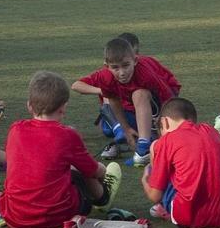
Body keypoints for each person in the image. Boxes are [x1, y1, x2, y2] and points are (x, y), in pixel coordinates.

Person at [0, 71, 121, 228]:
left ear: (29, 106)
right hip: (59, 215)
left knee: (65, 169)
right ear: (63, 107)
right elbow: (93, 171)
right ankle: (103, 198)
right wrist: (103, 171)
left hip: (15, 216)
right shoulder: (67, 135)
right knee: (83, 170)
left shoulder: (15, 129)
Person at [142, 97, 220, 228]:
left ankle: (164, 207)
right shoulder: (211, 131)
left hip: (189, 216)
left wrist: (145, 179)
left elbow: (155, 195)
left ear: (164, 122)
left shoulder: (166, 141)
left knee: (155, 147)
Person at [72, 38, 179, 168]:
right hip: (134, 109)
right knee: (108, 129)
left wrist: (168, 130)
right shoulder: (105, 76)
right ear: (107, 66)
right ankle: (140, 144)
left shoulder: (145, 73)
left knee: (139, 94)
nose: (122, 73)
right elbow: (113, 100)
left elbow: (169, 98)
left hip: (158, 102)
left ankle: (144, 147)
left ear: (135, 61)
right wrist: (126, 129)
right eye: (115, 68)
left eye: (126, 65)